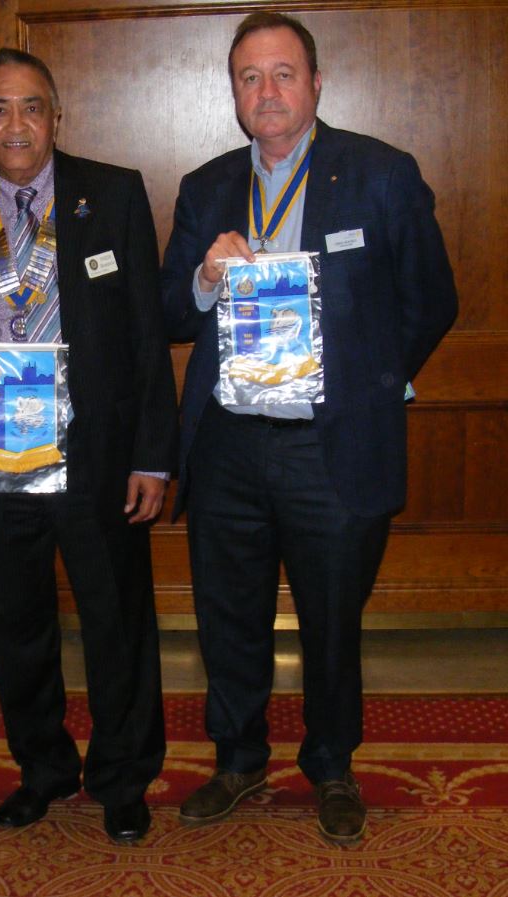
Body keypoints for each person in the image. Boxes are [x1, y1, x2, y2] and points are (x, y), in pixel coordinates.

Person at [161, 12, 457, 843]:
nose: (268, 92)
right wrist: (207, 278)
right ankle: (239, 757)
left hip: (329, 446)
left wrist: (373, 379)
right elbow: (169, 313)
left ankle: (331, 765)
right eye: (250, 77)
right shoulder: (207, 186)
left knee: (332, 618)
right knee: (228, 615)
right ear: (234, 92)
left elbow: (431, 300)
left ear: (317, 83)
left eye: (283, 73)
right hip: (226, 445)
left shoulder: (380, 174)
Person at [0, 48, 178, 844]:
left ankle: (123, 776)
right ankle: (45, 767)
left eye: (31, 106)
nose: (15, 124)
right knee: (14, 625)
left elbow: (145, 336)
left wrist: (152, 456)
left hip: (99, 457)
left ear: (57, 117)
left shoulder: (114, 194)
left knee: (116, 621)